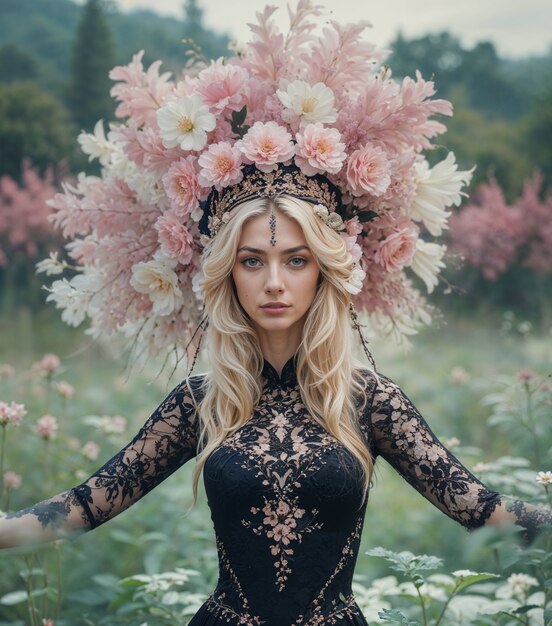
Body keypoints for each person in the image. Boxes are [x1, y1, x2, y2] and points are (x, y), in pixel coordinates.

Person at [1, 3, 550, 625]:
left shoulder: (371, 403)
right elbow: (80, 509)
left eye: (294, 260)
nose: (273, 282)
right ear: (228, 273)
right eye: (252, 261)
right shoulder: (201, 403)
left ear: (322, 269)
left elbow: (486, 510)